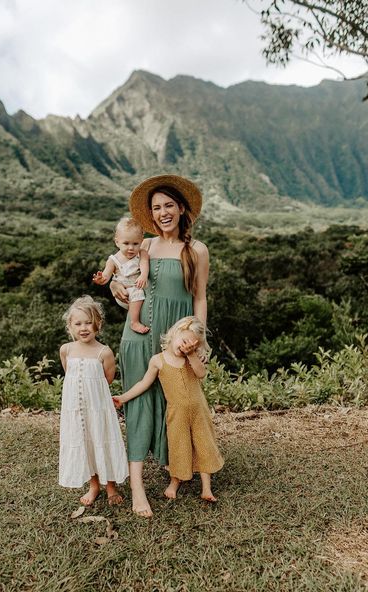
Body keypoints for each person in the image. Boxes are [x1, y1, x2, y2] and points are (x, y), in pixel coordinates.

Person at [110, 174, 209, 517]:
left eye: (169, 205)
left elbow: (199, 298)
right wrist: (115, 290)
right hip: (138, 336)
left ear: (182, 209)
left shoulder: (195, 250)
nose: (163, 212)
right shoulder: (144, 246)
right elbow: (121, 281)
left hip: (176, 340)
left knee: (176, 401)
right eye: (156, 208)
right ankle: (137, 486)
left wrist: (198, 341)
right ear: (150, 215)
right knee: (138, 402)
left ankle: (177, 467)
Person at [113, 316, 223, 502]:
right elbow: (144, 383)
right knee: (178, 447)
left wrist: (191, 355)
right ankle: (174, 482)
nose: (186, 347)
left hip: (199, 412)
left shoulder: (192, 358)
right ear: (174, 334)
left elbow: (201, 374)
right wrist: (123, 398)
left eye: (192, 345)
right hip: (176, 414)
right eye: (184, 342)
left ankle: (206, 488)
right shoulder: (158, 360)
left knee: (204, 445)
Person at [58, 295, 128, 506]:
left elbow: (107, 378)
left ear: (98, 324)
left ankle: (111, 487)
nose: (84, 328)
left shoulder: (103, 352)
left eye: (88, 322)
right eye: (78, 323)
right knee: (84, 443)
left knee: (102, 441)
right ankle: (94, 485)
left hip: (98, 408)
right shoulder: (66, 350)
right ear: (70, 326)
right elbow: (68, 372)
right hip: (76, 410)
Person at [92, 217, 150, 334]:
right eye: (126, 243)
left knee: (138, 294)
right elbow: (106, 276)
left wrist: (143, 275)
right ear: (117, 242)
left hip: (136, 288)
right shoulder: (113, 260)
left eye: (135, 243)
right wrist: (101, 279)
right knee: (137, 292)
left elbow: (144, 264)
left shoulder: (142, 253)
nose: (131, 248)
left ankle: (138, 317)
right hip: (124, 293)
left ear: (141, 241)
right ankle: (134, 322)